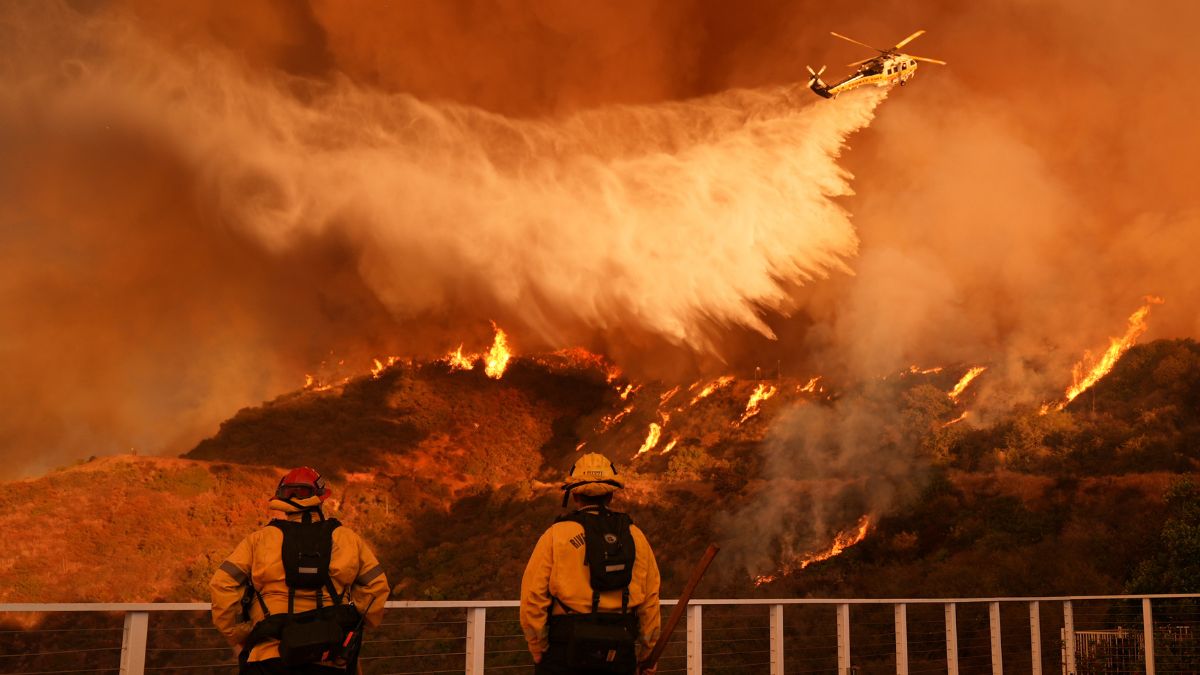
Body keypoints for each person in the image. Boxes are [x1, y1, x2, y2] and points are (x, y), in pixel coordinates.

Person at [210, 467, 389, 674]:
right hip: (329, 655)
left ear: (282, 500)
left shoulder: (258, 541)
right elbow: (376, 588)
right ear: (320, 498)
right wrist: (354, 622)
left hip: (267, 656)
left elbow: (222, 584)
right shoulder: (347, 539)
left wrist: (239, 633)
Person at [520, 453, 661, 675]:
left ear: (574, 494)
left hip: (564, 652)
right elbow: (650, 600)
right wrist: (647, 654)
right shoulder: (635, 536)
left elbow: (533, 597)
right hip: (619, 652)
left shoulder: (556, 535)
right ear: (611, 495)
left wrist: (538, 647)